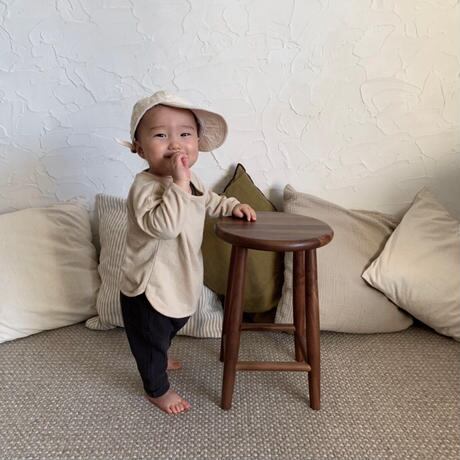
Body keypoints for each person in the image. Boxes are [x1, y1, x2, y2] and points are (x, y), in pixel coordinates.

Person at [117, 90, 256, 415]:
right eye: (160, 135)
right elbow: (165, 226)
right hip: (148, 287)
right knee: (151, 339)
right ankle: (156, 388)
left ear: (197, 143)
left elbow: (207, 200)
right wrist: (178, 184)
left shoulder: (191, 180)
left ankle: (161, 351)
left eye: (184, 134)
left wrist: (231, 206)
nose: (175, 144)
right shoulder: (144, 188)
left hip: (179, 277)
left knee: (176, 320)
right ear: (140, 149)